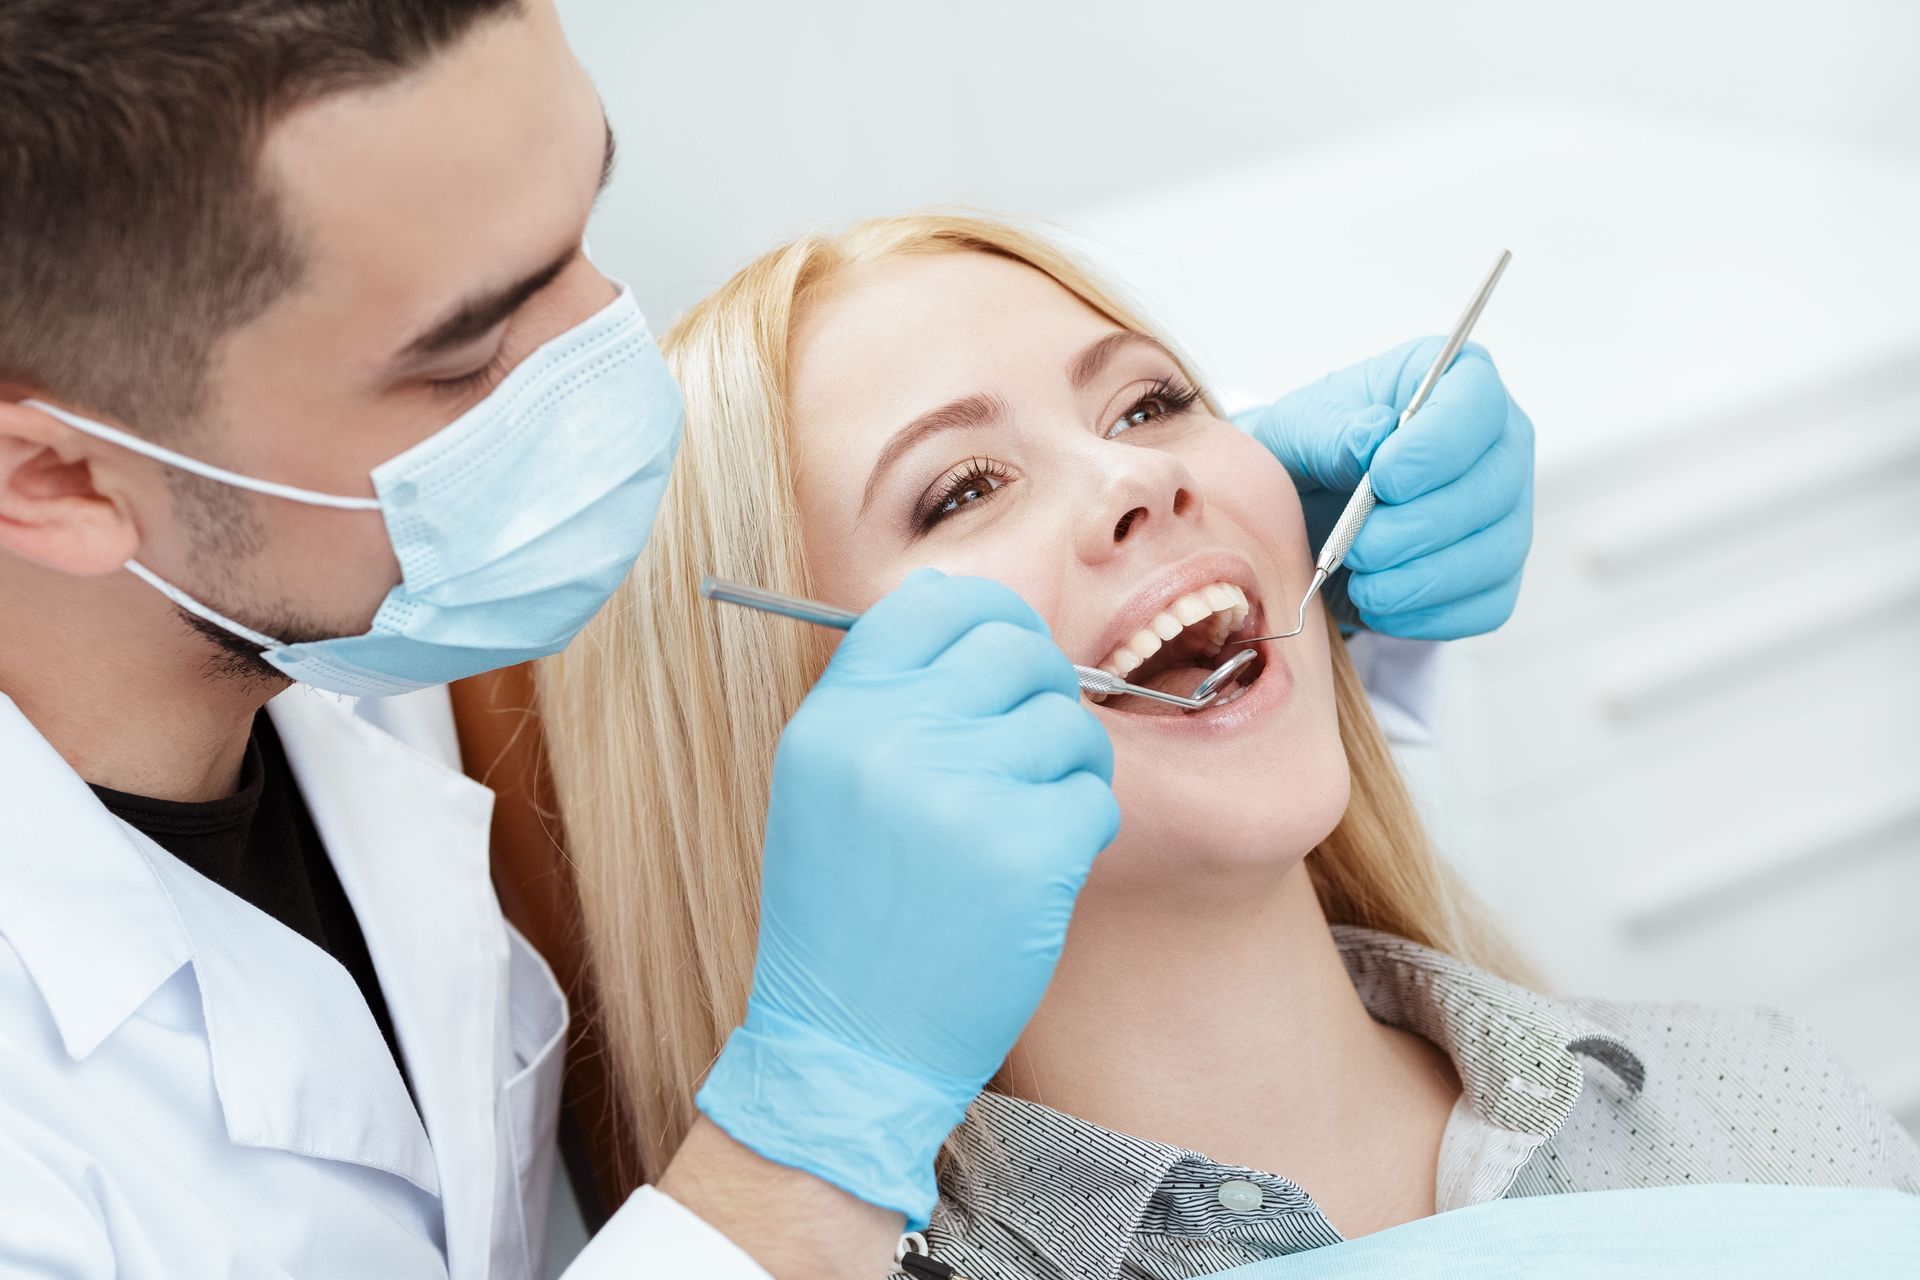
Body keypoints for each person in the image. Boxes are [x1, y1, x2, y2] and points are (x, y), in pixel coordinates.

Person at [0, 4, 1536, 1277]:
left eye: (586, 228)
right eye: (472, 350)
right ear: (59, 479)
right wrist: (812, 1126)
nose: (614, 356)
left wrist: (1265, 584)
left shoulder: (358, 647)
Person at [536, 213, 1920, 1278]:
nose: (1142, 475)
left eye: (1146, 403)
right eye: (963, 490)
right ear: (798, 743)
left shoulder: (1762, 1100)